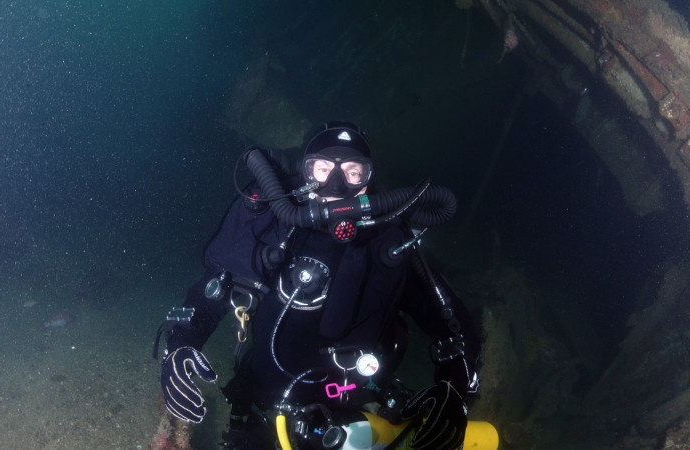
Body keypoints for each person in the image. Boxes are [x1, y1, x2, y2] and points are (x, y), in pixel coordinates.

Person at [156, 122, 481, 450]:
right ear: (304, 173)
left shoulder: (387, 246)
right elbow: (209, 291)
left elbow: (453, 327)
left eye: (354, 172)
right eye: (322, 169)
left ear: (369, 181)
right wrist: (180, 344)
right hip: (263, 408)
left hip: (358, 410)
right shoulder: (273, 226)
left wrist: (455, 392)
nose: (337, 185)